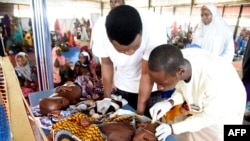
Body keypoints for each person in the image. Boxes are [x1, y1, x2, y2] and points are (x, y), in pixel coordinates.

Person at [148, 44, 246, 141]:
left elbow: (206, 118)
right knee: (195, 135)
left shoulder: (213, 82)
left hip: (227, 112)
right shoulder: (176, 62)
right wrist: (169, 103)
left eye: (162, 83)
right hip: (203, 109)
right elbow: (184, 89)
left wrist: (172, 128)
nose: (158, 88)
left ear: (181, 71)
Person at [92, 5, 167, 116]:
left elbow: (146, 74)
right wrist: (107, 98)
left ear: (142, 32)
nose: (130, 53)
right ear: (110, 40)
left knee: (148, 126)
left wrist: (140, 115)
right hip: (123, 86)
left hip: (151, 91)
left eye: (135, 46)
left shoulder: (154, 27)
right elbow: (107, 63)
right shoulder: (100, 30)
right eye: (122, 50)